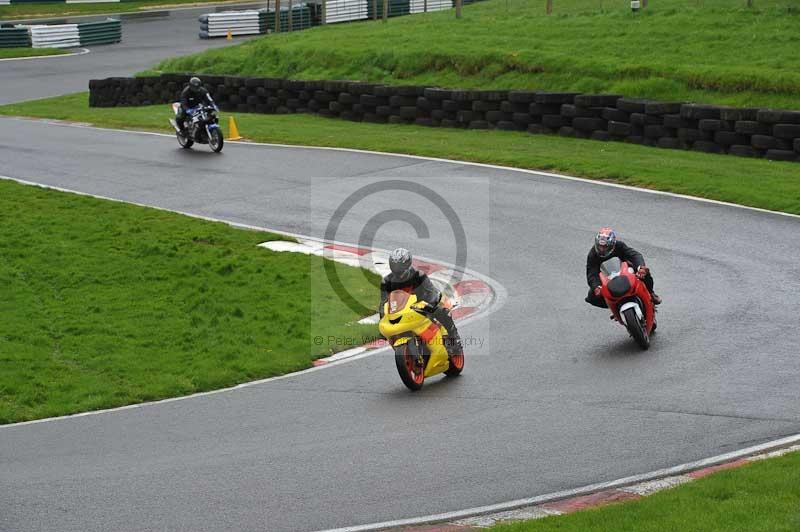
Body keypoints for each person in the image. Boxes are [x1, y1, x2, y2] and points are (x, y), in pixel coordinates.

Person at [379, 248, 463, 357]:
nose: (399, 273)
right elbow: (384, 303)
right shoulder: (386, 282)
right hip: (403, 311)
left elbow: (431, 293)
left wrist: (430, 305)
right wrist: (383, 320)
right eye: (396, 270)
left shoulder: (419, 276)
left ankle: (455, 341)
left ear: (408, 265)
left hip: (424, 304)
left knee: (443, 311)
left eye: (401, 269)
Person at [585, 227, 662, 308]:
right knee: (591, 298)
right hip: (607, 278)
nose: (602, 249)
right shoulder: (592, 255)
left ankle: (651, 293)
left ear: (612, 244)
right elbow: (591, 273)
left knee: (645, 274)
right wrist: (596, 287)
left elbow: (634, 255)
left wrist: (641, 267)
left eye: (605, 247)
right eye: (600, 246)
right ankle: (614, 306)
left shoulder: (619, 245)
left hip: (625, 271)